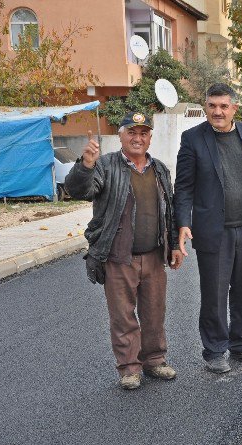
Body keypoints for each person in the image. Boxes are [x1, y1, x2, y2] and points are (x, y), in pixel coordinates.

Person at [65, 111, 183, 390]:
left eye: (143, 133)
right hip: (118, 255)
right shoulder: (105, 166)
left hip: (154, 255)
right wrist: (85, 165)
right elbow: (78, 189)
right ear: (120, 136)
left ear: (149, 138)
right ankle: (129, 368)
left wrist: (176, 243)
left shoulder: (160, 170)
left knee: (155, 312)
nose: (137, 138)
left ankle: (155, 360)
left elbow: (171, 210)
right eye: (131, 132)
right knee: (122, 314)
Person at [174, 83, 242, 374]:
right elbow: (183, 187)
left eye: (223, 106)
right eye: (212, 105)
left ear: (234, 107)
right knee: (215, 294)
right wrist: (182, 223)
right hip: (214, 232)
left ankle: (241, 343)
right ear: (205, 106)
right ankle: (214, 350)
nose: (217, 111)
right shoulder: (193, 139)